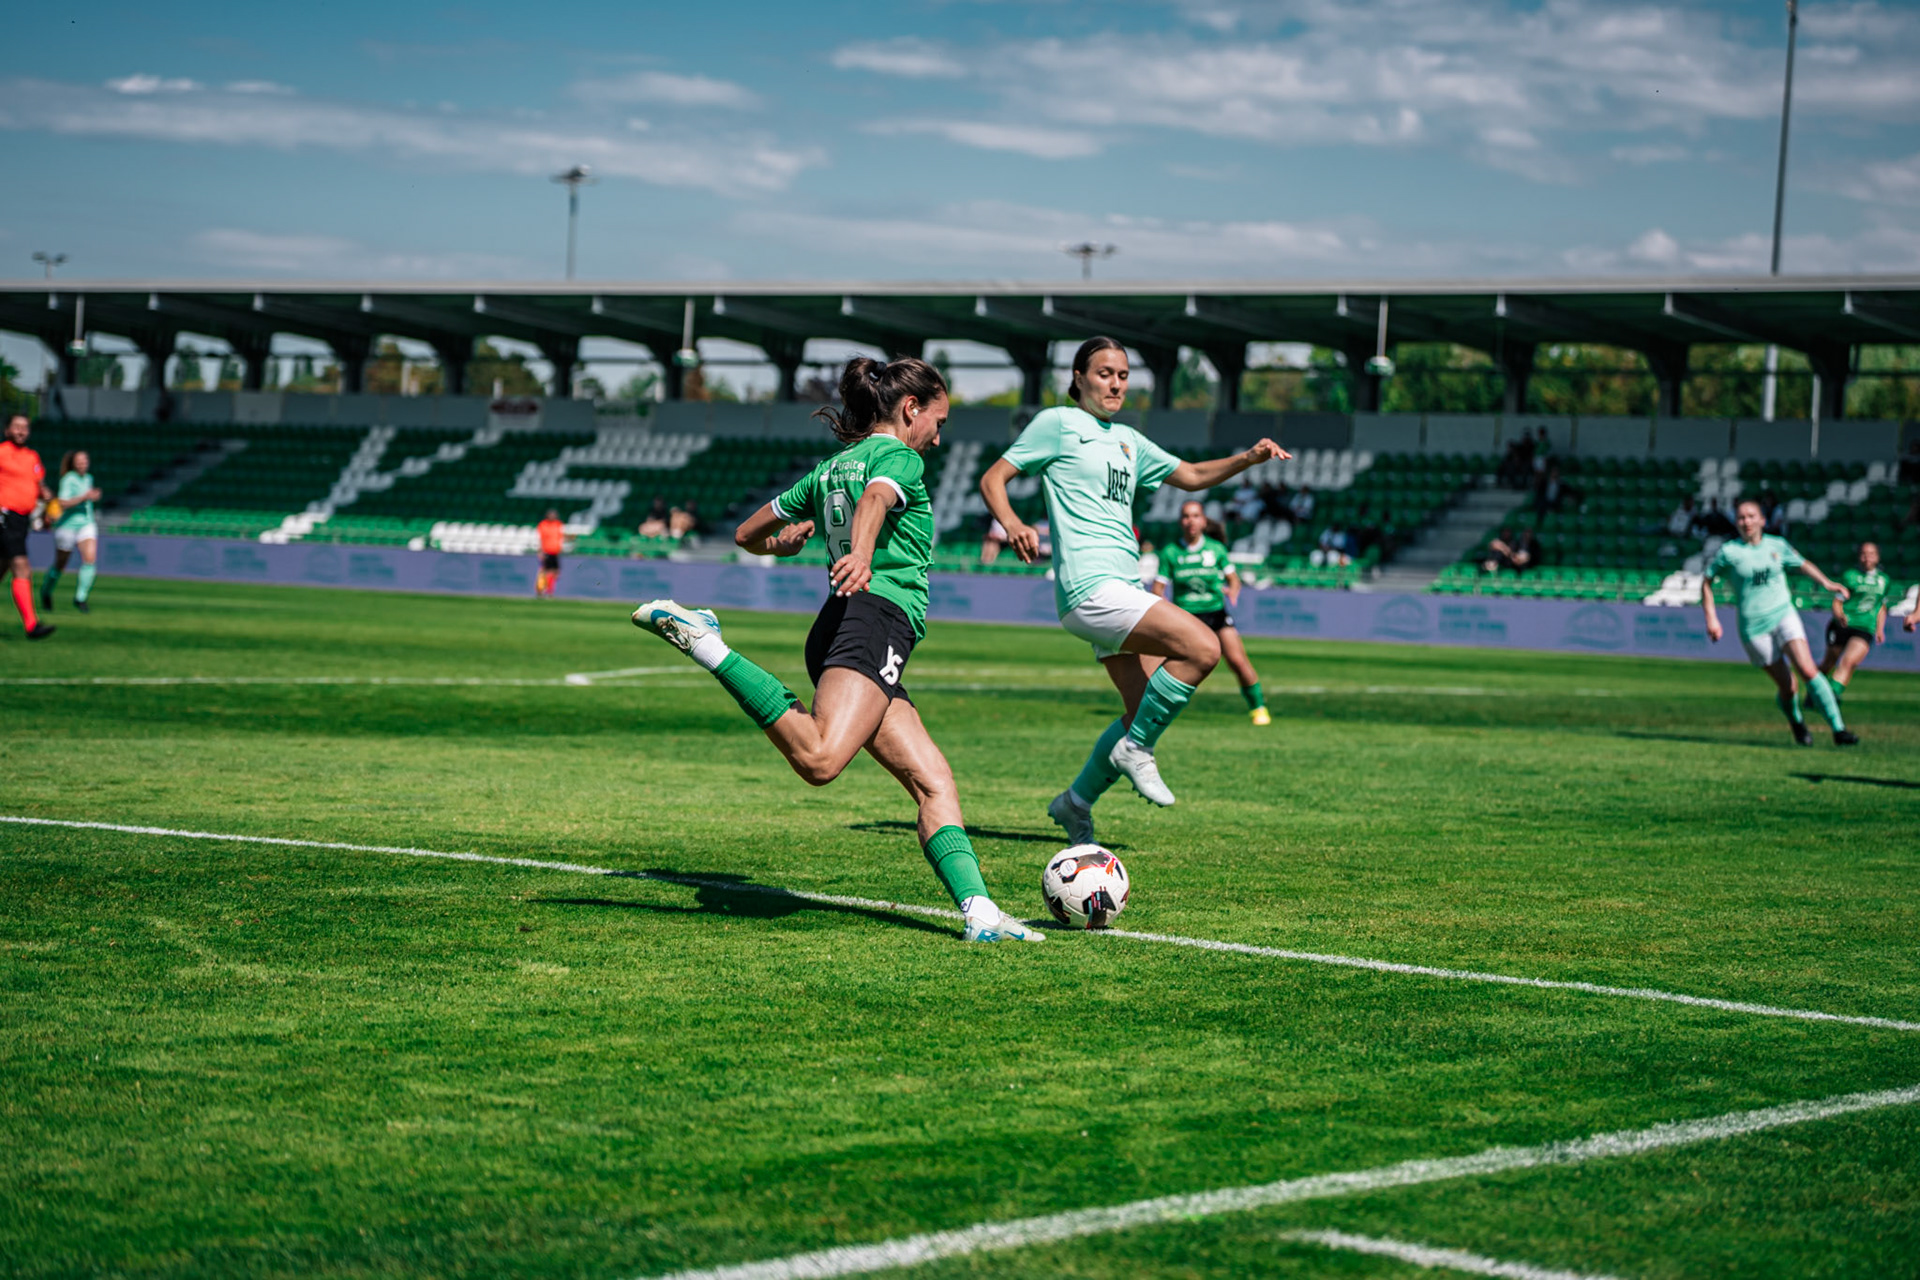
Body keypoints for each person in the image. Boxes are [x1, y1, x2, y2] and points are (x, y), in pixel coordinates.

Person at [630, 356, 1039, 944]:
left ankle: (980, 913)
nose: (939, 436)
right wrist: (865, 552)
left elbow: (748, 534)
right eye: (938, 420)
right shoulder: (899, 455)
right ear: (910, 409)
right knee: (821, 761)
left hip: (842, 624)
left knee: (933, 782)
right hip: (874, 620)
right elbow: (875, 499)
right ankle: (708, 645)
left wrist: (784, 544)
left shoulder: (827, 470)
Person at [978, 336, 1287, 844]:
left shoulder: (1128, 439)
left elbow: (1189, 475)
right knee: (1204, 648)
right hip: (1092, 588)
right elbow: (995, 477)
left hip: (1121, 587)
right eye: (1104, 373)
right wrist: (1012, 523)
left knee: (1138, 709)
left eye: (1122, 375)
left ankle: (1075, 803)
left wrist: (1248, 459)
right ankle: (1137, 750)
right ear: (1078, 378)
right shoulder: (1057, 423)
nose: (1116, 383)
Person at [1703, 498, 1855, 746]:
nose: (1746, 521)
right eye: (1741, 517)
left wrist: (1827, 583)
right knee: (1788, 687)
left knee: (1807, 669)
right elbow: (1707, 582)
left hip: (1783, 614)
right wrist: (1712, 618)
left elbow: (1802, 563)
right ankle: (1796, 723)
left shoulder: (1777, 546)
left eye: (1751, 516)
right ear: (1736, 522)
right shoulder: (1729, 552)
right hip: (1753, 628)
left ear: (1762, 520)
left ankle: (1839, 730)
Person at [1156, 501, 1269, 725]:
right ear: (1181, 522)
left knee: (1237, 660)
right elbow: (1158, 589)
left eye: (1196, 516)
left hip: (1215, 613)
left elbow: (1233, 580)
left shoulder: (1216, 549)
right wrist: (1165, 610)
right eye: (1186, 516)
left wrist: (1233, 591)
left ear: (1204, 521)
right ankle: (1158, 712)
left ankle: (1258, 708)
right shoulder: (1170, 552)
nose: (1191, 521)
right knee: (1171, 665)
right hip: (1186, 618)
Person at [0, 415, 55, 640]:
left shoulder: (32, 457)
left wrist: (46, 497)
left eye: (25, 428)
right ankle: (32, 625)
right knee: (21, 567)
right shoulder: (1, 452)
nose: (21, 431)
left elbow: (39, 485)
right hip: (4, 515)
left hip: (21, 520)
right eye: (17, 427)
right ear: (7, 430)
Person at [1819, 542, 1890, 705]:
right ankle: (1814, 691)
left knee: (1849, 662)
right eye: (1864, 554)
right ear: (1859, 556)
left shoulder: (1884, 580)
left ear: (1877, 557)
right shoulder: (1850, 576)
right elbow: (1837, 602)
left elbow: (1881, 607)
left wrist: (1880, 629)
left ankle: (1831, 695)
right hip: (1843, 625)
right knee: (1828, 663)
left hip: (1865, 627)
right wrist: (1840, 615)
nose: (1867, 557)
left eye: (1871, 554)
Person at [39, 450, 102, 613]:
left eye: (85, 460)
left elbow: (87, 499)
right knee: (61, 564)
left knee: (90, 560)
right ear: (73, 463)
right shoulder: (68, 479)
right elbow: (62, 503)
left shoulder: (89, 478)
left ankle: (80, 598)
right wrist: (84, 497)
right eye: (79, 461)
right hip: (67, 525)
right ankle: (46, 591)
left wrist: (93, 496)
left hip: (86, 523)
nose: (82, 463)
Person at [535, 509, 565, 598]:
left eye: (554, 515)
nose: (553, 516)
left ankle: (550, 591)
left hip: (555, 551)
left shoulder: (558, 524)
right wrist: (540, 551)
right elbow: (540, 538)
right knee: (545, 571)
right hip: (546, 551)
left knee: (555, 572)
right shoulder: (543, 525)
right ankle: (541, 590)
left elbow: (560, 537)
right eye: (551, 514)